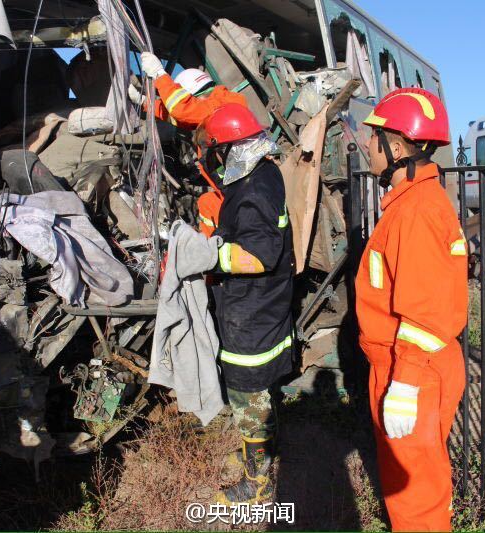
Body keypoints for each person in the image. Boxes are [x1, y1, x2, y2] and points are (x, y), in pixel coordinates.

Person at [355, 87, 468, 531]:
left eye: (375, 136)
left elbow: (426, 311)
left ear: (397, 148)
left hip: (411, 369)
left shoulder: (416, 212)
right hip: (407, 365)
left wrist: (404, 385)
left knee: (416, 495)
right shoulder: (411, 204)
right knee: (416, 485)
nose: (367, 143)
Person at [194, 103, 293, 505]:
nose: (213, 160)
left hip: (251, 315)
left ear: (229, 149)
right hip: (263, 308)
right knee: (261, 397)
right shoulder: (264, 173)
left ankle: (258, 484)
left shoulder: (252, 190)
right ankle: (262, 450)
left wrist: (208, 256)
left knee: (248, 398)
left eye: (215, 152)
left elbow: (258, 255)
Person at [129, 52, 249, 236]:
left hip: (247, 189)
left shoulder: (224, 102)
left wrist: (160, 74)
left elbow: (182, 110)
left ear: (195, 95)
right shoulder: (209, 106)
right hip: (229, 188)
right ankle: (212, 248)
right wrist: (146, 103)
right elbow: (180, 117)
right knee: (207, 202)